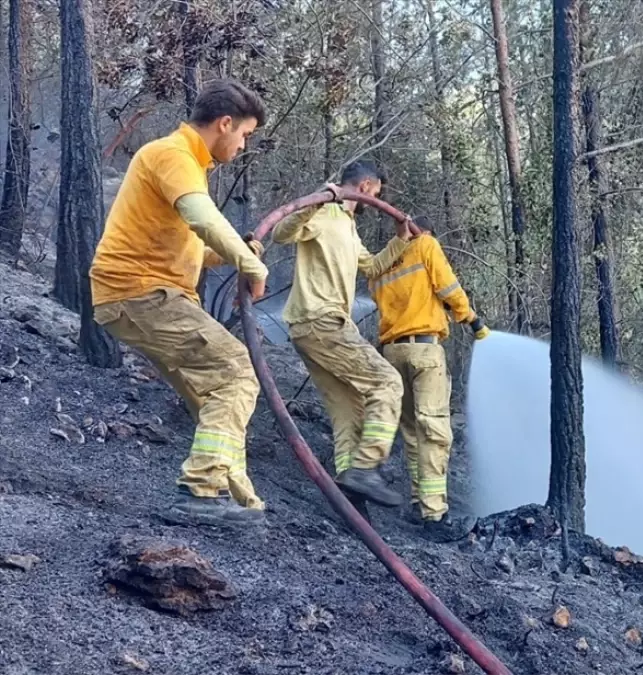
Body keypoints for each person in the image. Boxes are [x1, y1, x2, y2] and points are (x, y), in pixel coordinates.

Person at [90, 79, 271, 527]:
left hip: (142, 293)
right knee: (236, 371)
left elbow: (191, 245)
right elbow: (202, 218)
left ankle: (235, 499)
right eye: (245, 134)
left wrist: (232, 252)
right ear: (225, 123)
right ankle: (201, 492)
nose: (243, 143)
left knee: (216, 392)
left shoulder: (184, 164)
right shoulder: (174, 155)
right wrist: (250, 263)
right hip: (140, 291)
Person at [272, 160, 416, 509]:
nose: (377, 199)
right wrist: (319, 200)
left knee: (348, 411)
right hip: (320, 321)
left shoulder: (349, 227)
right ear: (366, 186)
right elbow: (280, 234)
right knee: (386, 382)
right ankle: (366, 468)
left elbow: (371, 266)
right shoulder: (324, 213)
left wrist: (401, 240)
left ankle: (350, 504)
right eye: (378, 192)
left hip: (318, 327)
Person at [369, 216, 489, 542]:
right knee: (434, 430)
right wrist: (471, 319)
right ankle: (434, 514)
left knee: (410, 429)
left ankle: (417, 502)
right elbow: (448, 287)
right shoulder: (426, 245)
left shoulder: (382, 265)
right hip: (424, 351)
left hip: (391, 354)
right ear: (425, 232)